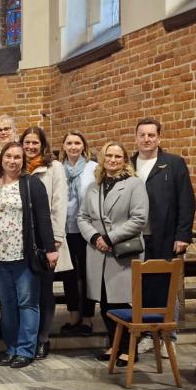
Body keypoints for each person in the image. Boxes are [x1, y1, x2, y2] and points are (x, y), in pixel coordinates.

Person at [0, 142, 58, 369]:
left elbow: (43, 218)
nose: (12, 161)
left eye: (17, 157)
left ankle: (25, 350)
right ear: (1, 159)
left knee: (27, 303)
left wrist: (50, 249)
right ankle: (11, 348)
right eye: (8, 156)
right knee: (6, 305)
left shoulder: (32, 184)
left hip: (24, 256)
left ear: (23, 161)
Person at [77, 141, 149, 366]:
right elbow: (82, 217)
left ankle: (129, 348)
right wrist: (95, 238)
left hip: (122, 252)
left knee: (121, 302)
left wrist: (110, 238)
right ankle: (114, 345)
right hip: (98, 252)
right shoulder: (94, 186)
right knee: (105, 303)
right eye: (109, 155)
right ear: (102, 158)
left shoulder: (134, 184)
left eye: (118, 156)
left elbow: (139, 218)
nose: (113, 160)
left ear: (124, 160)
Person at [131, 117, 196, 355]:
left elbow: (186, 201)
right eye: (142, 135)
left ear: (159, 137)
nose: (146, 139)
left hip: (165, 236)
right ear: (136, 137)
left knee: (166, 286)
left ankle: (169, 337)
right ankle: (147, 335)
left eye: (151, 135)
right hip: (136, 238)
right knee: (142, 287)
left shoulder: (173, 164)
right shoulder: (129, 164)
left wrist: (183, 235)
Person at [20, 126, 73, 359]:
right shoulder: (17, 165)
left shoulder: (54, 167)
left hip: (46, 237)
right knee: (25, 291)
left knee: (44, 290)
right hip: (21, 238)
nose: (31, 147)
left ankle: (43, 338)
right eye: (27, 142)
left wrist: (56, 238)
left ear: (42, 145)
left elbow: (60, 203)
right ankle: (27, 336)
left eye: (35, 143)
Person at [59, 131, 98, 335]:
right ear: (63, 146)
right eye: (69, 143)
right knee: (69, 274)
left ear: (84, 146)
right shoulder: (58, 169)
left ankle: (88, 317)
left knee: (87, 274)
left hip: (86, 229)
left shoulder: (93, 168)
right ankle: (73, 314)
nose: (73, 147)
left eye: (77, 143)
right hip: (65, 229)